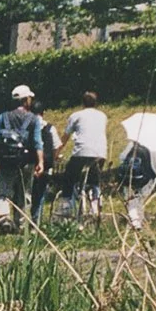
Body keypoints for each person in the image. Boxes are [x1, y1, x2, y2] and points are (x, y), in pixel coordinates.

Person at [0, 85, 42, 233]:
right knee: (24, 193)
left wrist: (6, 150)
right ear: (26, 100)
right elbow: (37, 142)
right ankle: (20, 225)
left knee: (4, 192)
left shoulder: (3, 117)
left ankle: (4, 218)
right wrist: (41, 162)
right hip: (26, 161)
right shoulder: (33, 119)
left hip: (6, 161)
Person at [62, 92, 109, 220]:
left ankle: (66, 204)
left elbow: (66, 136)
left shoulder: (76, 115)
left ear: (82, 103)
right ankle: (96, 201)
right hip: (100, 152)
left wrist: (57, 151)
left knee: (69, 176)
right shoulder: (102, 116)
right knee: (95, 178)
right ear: (96, 103)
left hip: (81, 152)